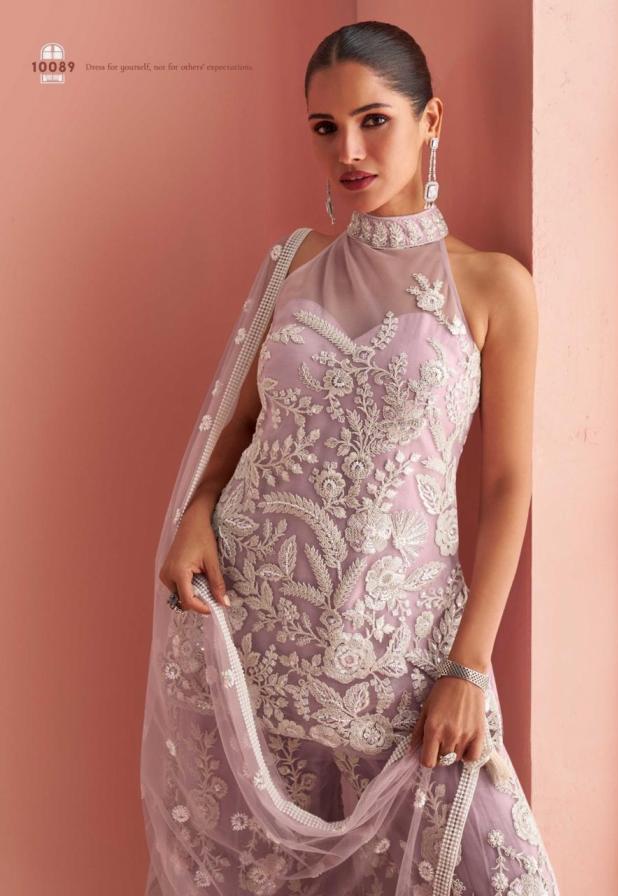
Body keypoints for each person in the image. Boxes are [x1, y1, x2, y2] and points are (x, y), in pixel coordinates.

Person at [141, 20, 561, 896]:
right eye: (325, 128)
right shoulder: (291, 266)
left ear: (430, 120)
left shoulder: (492, 286)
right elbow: (240, 425)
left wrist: (466, 667)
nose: (349, 151)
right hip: (258, 633)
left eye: (374, 121)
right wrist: (196, 512)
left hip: (403, 656)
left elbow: (508, 484)